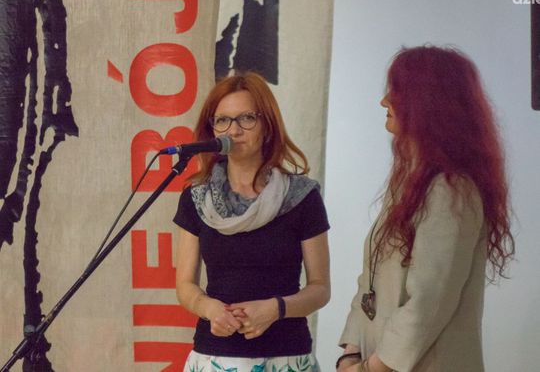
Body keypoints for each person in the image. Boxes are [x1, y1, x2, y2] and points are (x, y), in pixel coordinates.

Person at [337, 46, 514, 372]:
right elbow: (371, 282)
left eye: (396, 91)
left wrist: (369, 368)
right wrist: (350, 352)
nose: (384, 101)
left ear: (426, 103)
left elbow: (429, 302)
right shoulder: (411, 181)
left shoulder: (451, 189)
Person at [174, 72, 330, 372]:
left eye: (246, 118)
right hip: (215, 355)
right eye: (222, 120)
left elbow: (320, 288)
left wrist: (276, 309)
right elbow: (185, 285)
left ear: (267, 126)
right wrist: (209, 308)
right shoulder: (197, 197)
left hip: (285, 355)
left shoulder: (301, 196)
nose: (233, 130)